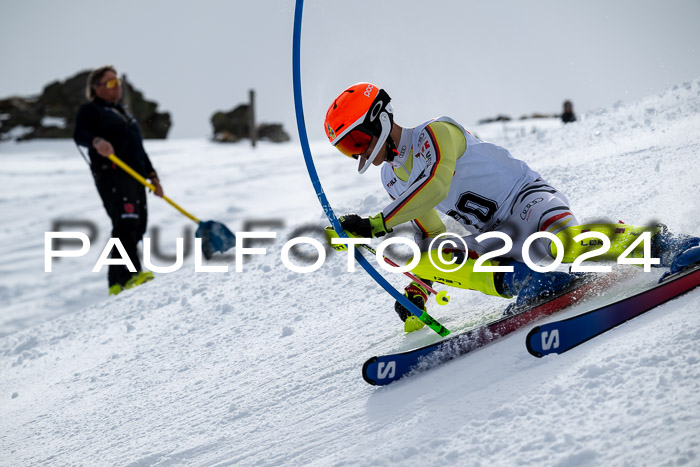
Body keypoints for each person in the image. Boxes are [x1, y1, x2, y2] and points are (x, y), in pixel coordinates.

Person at [323, 82, 699, 332]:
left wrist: (374, 224)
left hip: (526, 201)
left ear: (380, 117)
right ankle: (532, 282)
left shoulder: (436, 132)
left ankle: (667, 245)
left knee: (564, 245)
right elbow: (434, 236)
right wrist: (419, 287)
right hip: (496, 237)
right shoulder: (392, 180)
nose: (357, 151)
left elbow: (435, 185)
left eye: (357, 138)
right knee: (412, 253)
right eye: (346, 147)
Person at [73, 65, 163, 296]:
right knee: (126, 222)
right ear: (96, 88)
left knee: (138, 225)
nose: (117, 87)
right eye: (110, 83)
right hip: (112, 173)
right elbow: (79, 134)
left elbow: (139, 150)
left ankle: (116, 282)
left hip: (136, 176)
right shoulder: (92, 110)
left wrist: (152, 176)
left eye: (118, 82)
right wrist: (96, 141)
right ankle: (130, 275)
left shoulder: (125, 114)